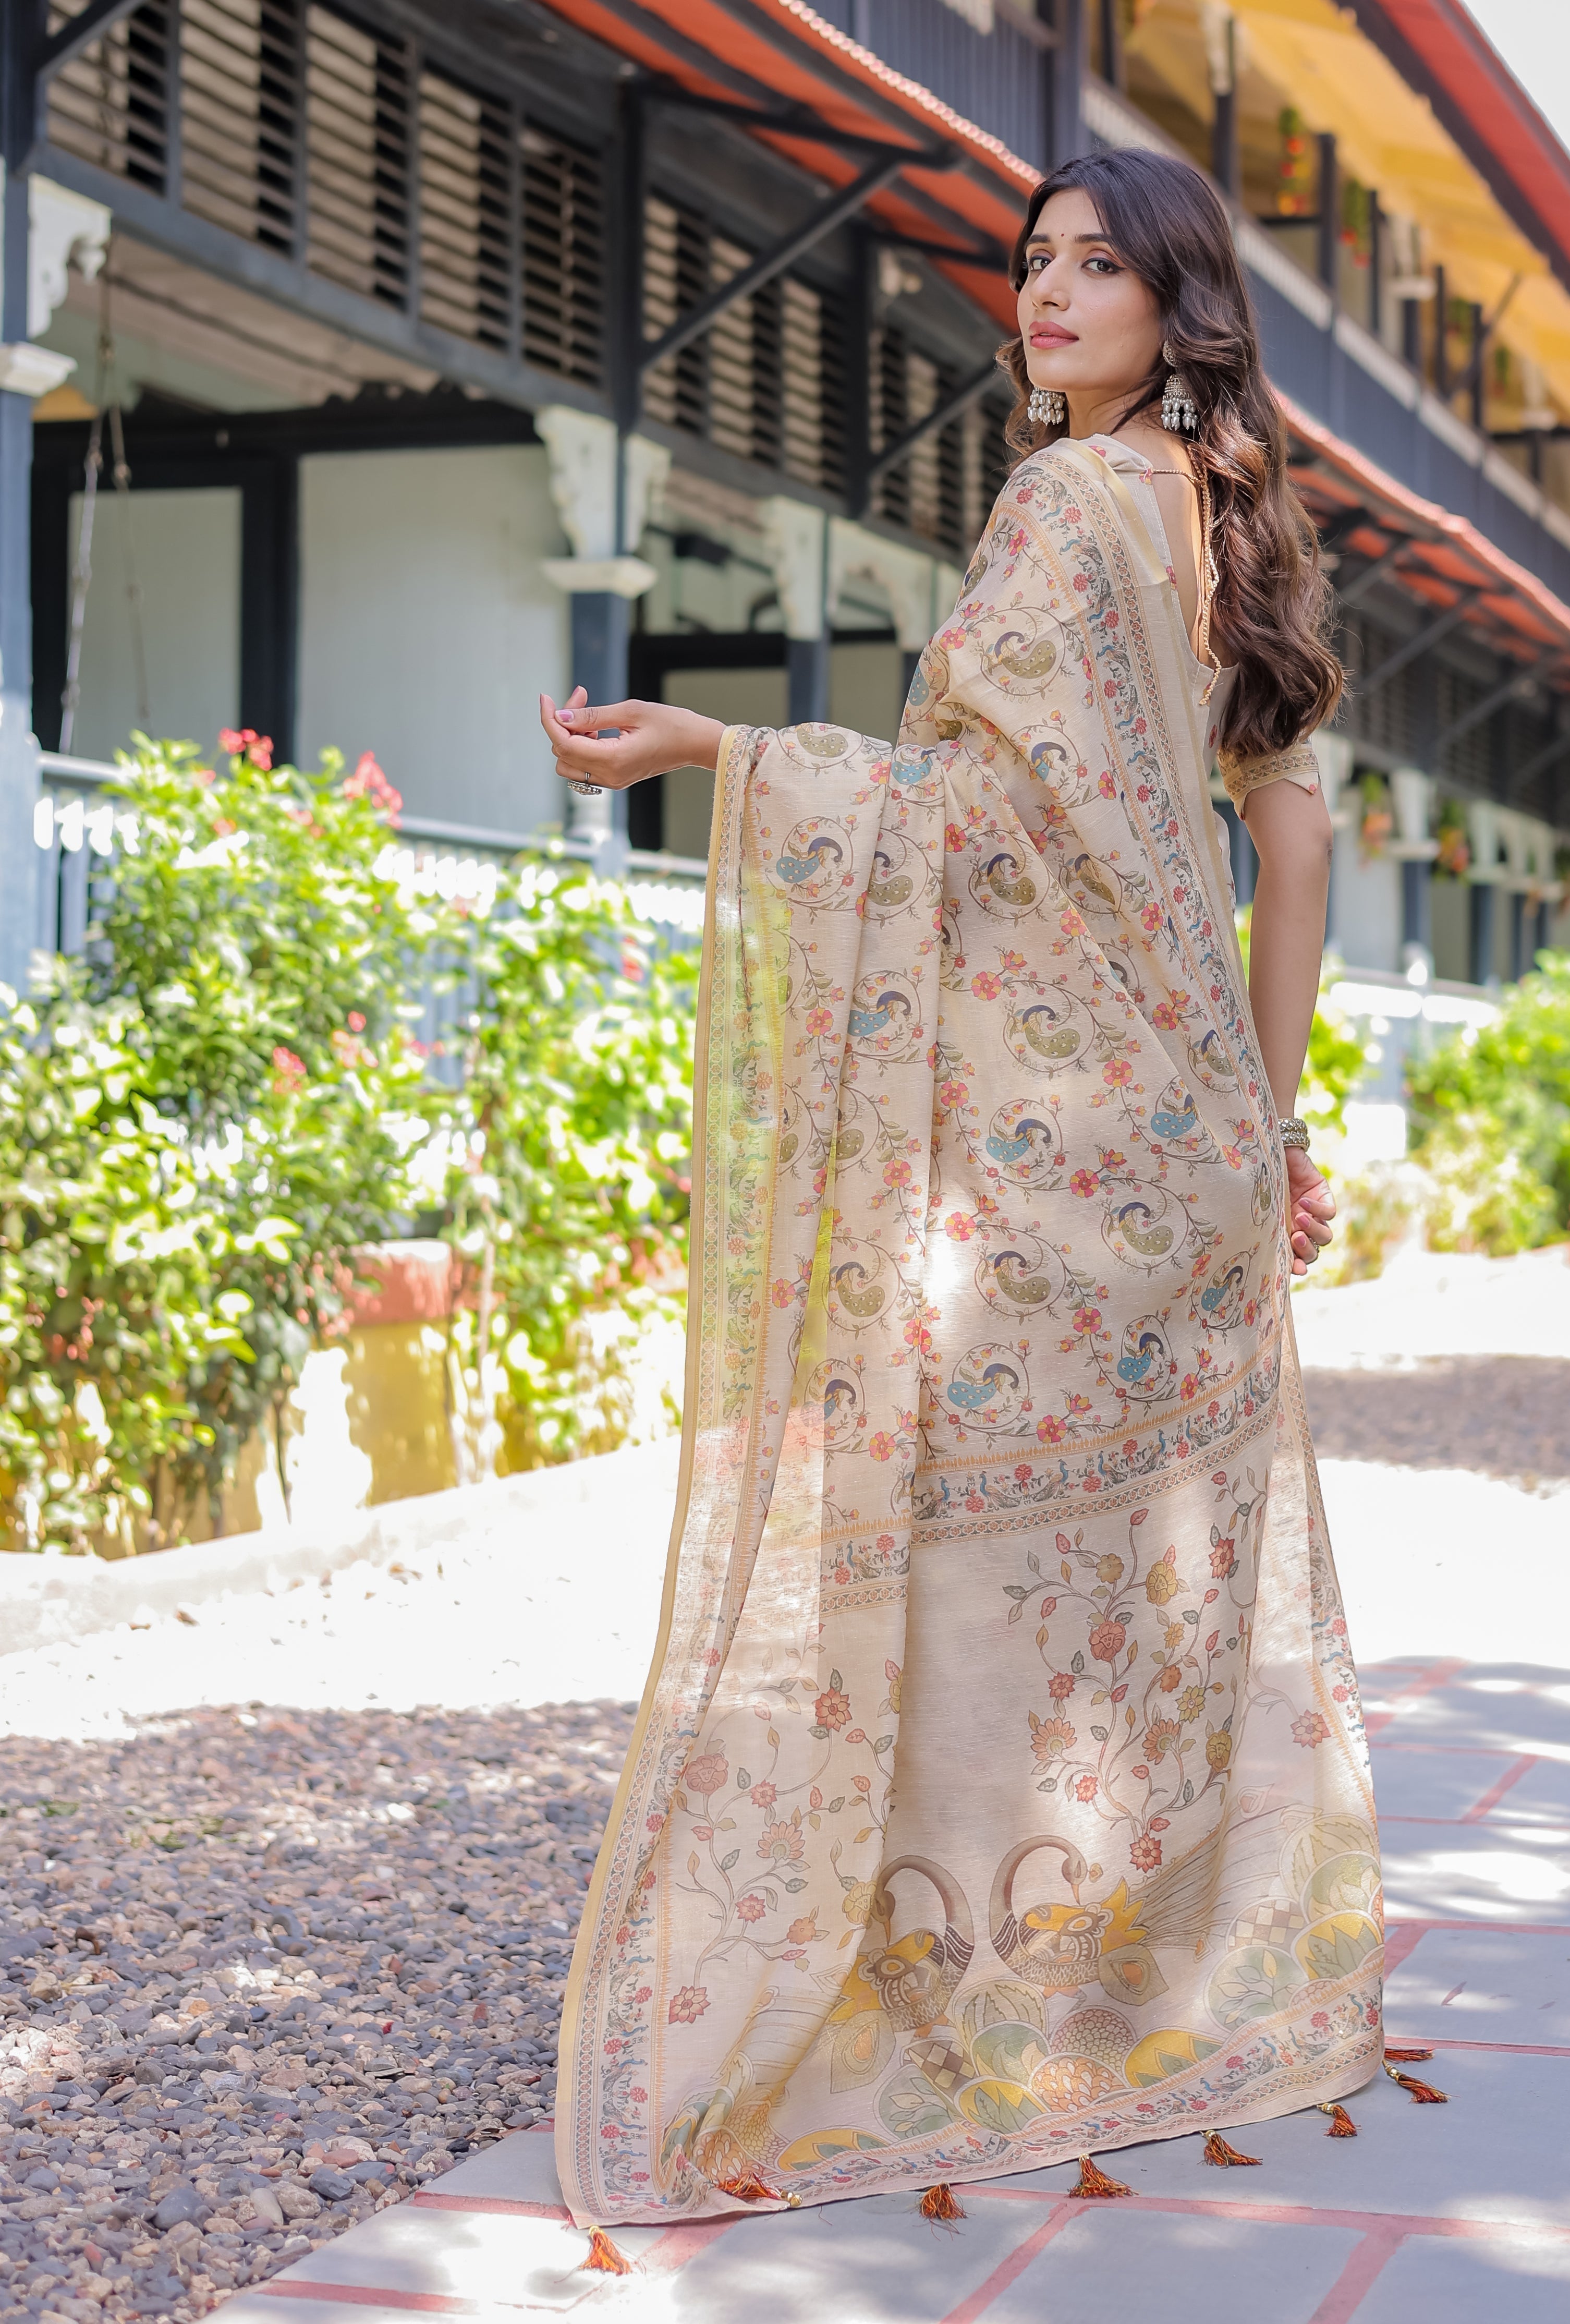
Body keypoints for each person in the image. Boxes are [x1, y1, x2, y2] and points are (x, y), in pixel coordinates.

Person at [537, 147, 1381, 2231]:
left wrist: (702, 757)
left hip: (1042, 1146)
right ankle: (1144, 1981)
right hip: (1174, 1139)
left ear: (1177, 304)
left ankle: (974, 1998)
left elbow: (961, 815)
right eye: (1034, 262)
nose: (1049, 293)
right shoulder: (1229, 518)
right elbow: (1297, 851)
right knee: (1129, 1575)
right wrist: (1255, 1133)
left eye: (1100, 265)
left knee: (963, 1552)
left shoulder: (1070, 506)